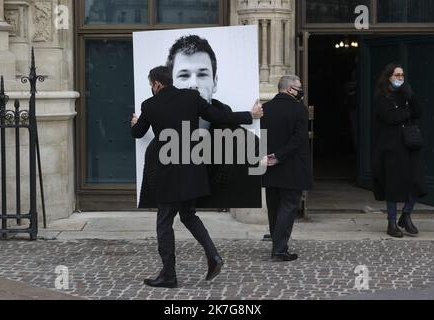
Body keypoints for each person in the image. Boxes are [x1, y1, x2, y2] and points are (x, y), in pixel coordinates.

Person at [131, 66, 263, 288]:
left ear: (156, 84)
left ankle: (169, 275)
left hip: (168, 174)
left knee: (164, 223)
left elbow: (138, 133)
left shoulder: (150, 105)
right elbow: (219, 116)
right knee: (189, 215)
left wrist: (135, 123)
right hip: (192, 170)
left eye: (151, 85)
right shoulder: (191, 98)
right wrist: (250, 115)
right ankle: (213, 257)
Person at [139, 34, 261, 208]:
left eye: (202, 74)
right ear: (171, 84)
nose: (193, 84)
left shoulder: (247, 144)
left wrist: (250, 115)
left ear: (215, 82)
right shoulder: (154, 148)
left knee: (178, 219)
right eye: (184, 75)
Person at [372, 62, 428, 238]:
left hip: (410, 144)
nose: (400, 78)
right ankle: (391, 222)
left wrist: (410, 97)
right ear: (389, 77)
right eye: (397, 75)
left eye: (402, 75)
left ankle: (406, 215)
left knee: (416, 182)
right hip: (391, 146)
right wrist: (406, 112)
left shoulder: (406, 94)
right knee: (393, 184)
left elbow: (418, 112)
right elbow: (390, 117)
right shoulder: (382, 96)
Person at [260, 75, 313, 262]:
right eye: (299, 87)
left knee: (274, 207)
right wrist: (279, 156)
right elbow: (298, 140)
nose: (301, 91)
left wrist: (270, 156)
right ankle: (280, 249)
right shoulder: (299, 109)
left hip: (269, 166)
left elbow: (260, 137)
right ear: (290, 89)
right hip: (291, 166)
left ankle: (277, 243)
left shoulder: (265, 108)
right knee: (288, 207)